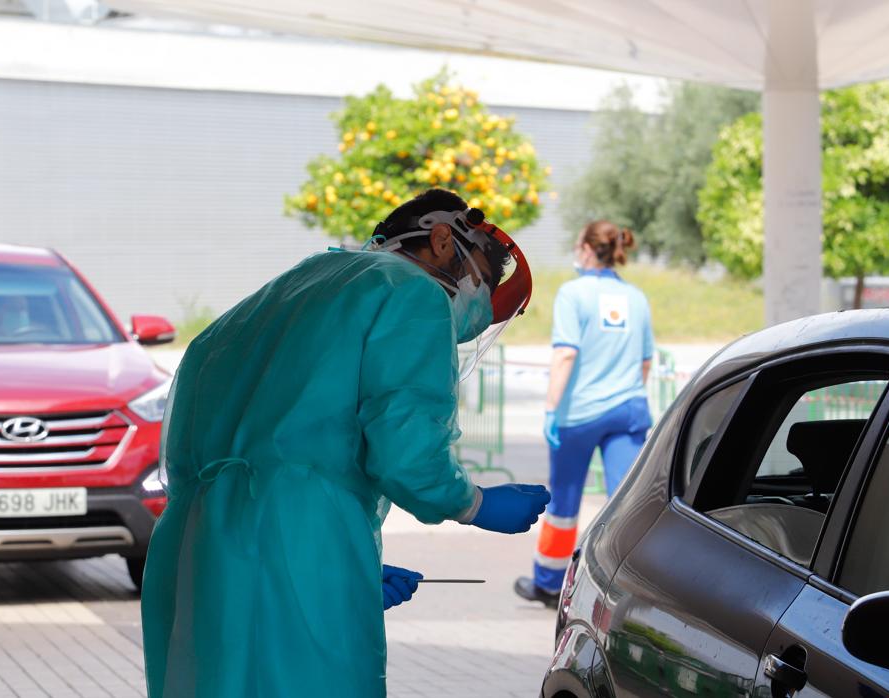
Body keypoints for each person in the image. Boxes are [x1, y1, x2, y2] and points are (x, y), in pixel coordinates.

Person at [141, 188, 550, 698]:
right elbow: (406, 451)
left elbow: (239, 441)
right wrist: (473, 504)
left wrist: (342, 563)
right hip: (301, 535)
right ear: (443, 240)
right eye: (481, 283)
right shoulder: (414, 293)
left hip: (196, 544)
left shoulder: (294, 289)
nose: (474, 304)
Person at [514, 220, 654, 607]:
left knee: (564, 502)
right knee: (625, 503)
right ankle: (629, 587)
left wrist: (549, 409)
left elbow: (565, 353)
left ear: (588, 249)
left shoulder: (572, 294)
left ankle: (549, 582)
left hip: (581, 414)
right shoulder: (636, 297)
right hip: (628, 411)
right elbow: (645, 361)